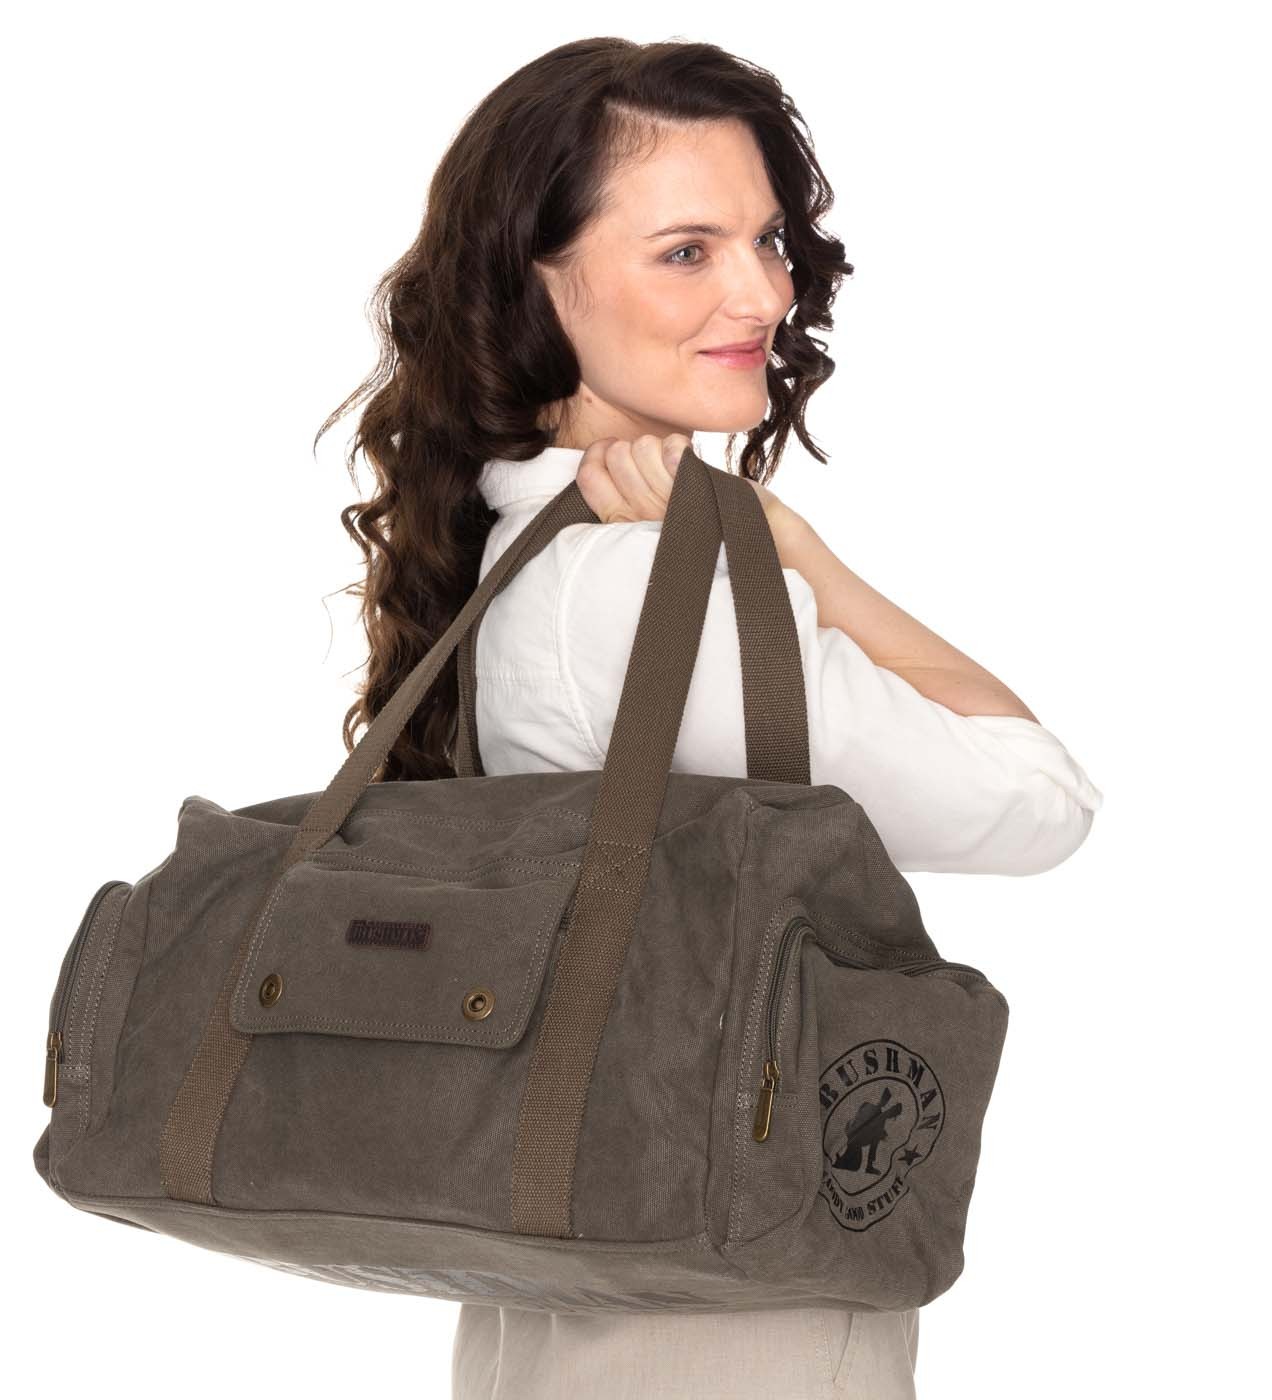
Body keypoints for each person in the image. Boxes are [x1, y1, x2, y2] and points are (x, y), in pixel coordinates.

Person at [321, 36, 1103, 1400]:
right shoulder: (644, 591)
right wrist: (804, 558)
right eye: (686, 251)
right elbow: (1040, 800)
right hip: (724, 1316)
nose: (762, 293)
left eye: (768, 240)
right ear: (536, 283)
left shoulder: (521, 556)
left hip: (555, 1301)